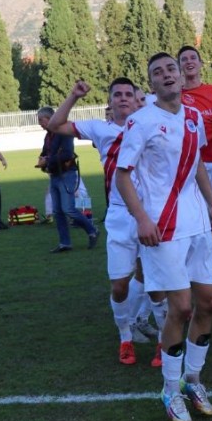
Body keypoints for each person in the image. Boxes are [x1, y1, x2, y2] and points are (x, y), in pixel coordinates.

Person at [115, 52, 212, 421]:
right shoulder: (141, 121)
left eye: (170, 69)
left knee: (208, 302)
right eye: (157, 73)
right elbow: (122, 175)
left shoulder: (194, 118)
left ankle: (194, 380)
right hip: (162, 228)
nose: (166, 76)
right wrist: (141, 217)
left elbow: (198, 166)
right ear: (151, 84)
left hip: (197, 224)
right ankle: (170, 388)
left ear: (180, 76)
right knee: (180, 308)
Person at [47, 78, 157, 365]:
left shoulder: (149, 124)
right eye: (117, 95)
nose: (123, 98)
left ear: (136, 100)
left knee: (157, 280)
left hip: (153, 212)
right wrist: (73, 95)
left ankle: (161, 339)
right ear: (111, 102)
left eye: (128, 95)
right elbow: (54, 125)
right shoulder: (100, 128)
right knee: (119, 285)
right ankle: (125, 336)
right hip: (120, 215)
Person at [178, 45, 212, 300]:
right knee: (190, 220)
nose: (189, 62)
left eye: (192, 58)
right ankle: (191, 274)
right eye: (184, 59)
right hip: (188, 165)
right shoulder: (174, 95)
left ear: (200, 63)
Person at [37, 106, 99, 253]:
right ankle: (65, 243)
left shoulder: (63, 132)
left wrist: (47, 161)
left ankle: (92, 230)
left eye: (41, 120)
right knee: (58, 211)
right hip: (55, 175)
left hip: (67, 174)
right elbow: (45, 151)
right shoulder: (48, 136)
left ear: (50, 118)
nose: (39, 123)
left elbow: (67, 154)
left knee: (69, 209)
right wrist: (42, 159)